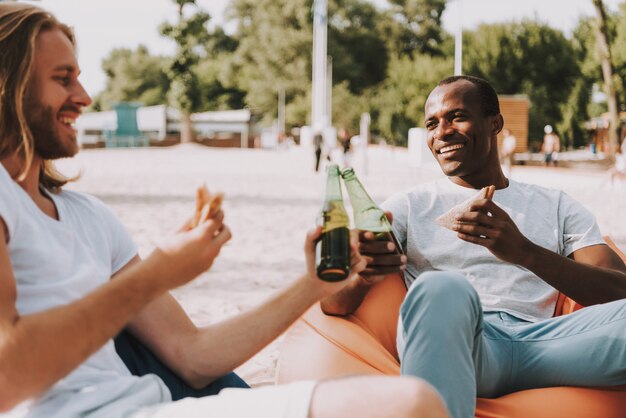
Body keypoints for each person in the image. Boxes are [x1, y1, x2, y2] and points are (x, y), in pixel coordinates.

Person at [0, 4, 452, 418]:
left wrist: (313, 284)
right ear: (9, 85)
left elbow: (194, 358)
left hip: (151, 407)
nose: (84, 96)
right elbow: (7, 380)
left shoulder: (88, 217)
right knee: (408, 405)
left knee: (410, 403)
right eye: (63, 79)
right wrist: (156, 273)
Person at [321, 75, 626, 418]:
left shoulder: (556, 204)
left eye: (457, 117)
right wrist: (362, 276)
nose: (442, 132)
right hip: (461, 343)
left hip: (545, 344)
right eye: (431, 124)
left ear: (495, 123)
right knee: (441, 285)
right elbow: (331, 301)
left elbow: (620, 290)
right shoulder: (409, 205)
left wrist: (525, 252)